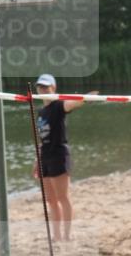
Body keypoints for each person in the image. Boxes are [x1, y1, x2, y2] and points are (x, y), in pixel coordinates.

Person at [32, 74, 97, 240]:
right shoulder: (41, 111)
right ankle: (57, 235)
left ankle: (67, 235)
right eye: (40, 87)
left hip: (59, 155)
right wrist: (37, 158)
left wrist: (85, 98)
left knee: (62, 197)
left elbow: (71, 104)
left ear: (53, 88)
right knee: (51, 200)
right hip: (45, 157)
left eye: (46, 87)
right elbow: (42, 139)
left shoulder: (58, 105)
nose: (42, 89)